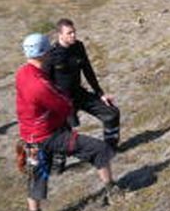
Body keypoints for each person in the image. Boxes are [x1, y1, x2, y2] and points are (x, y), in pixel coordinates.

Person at [16, 34, 120, 211]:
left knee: (36, 173)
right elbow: (63, 107)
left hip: (29, 137)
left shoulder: (22, 74)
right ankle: (112, 188)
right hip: (50, 135)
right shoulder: (40, 86)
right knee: (99, 149)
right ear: (44, 53)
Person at [44, 19, 121, 150]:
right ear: (60, 35)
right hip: (61, 101)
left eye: (74, 32)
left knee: (112, 113)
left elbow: (88, 70)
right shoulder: (51, 55)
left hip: (79, 93)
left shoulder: (78, 46)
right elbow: (45, 82)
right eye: (69, 33)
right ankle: (58, 163)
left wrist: (100, 93)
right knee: (62, 135)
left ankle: (110, 148)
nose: (73, 35)